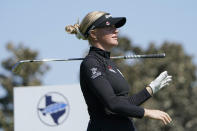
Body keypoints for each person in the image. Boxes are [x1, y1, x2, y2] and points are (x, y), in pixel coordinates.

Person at [65, 11, 172, 131]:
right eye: (108, 27)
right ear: (93, 34)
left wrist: (151, 89)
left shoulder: (109, 63)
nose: (116, 30)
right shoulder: (91, 63)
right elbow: (112, 104)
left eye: (115, 27)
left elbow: (124, 104)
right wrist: (147, 112)